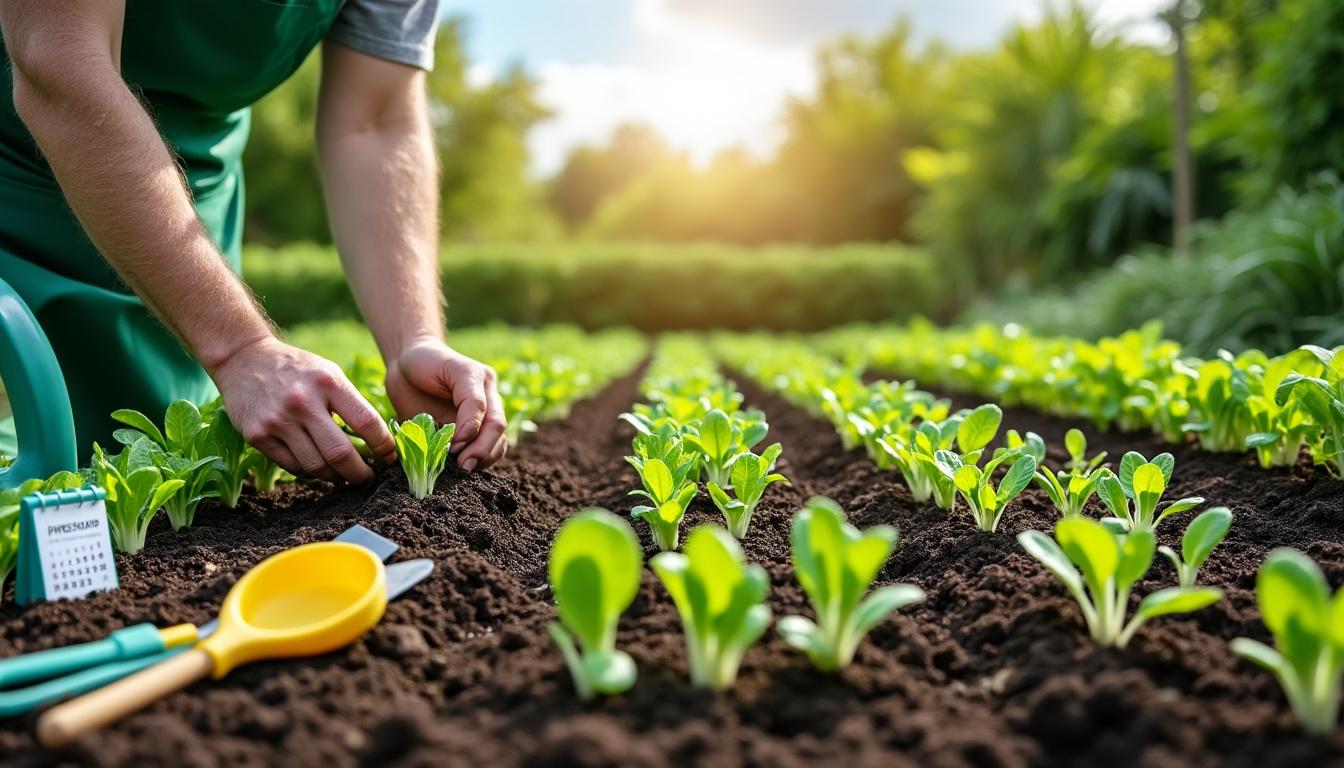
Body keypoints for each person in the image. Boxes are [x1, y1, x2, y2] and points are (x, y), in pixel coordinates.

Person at [0, 0, 507, 484]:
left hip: (180, 193)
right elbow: (58, 62)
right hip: (20, 156)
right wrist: (240, 347)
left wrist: (411, 341)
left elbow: (374, 121)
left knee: (150, 464)